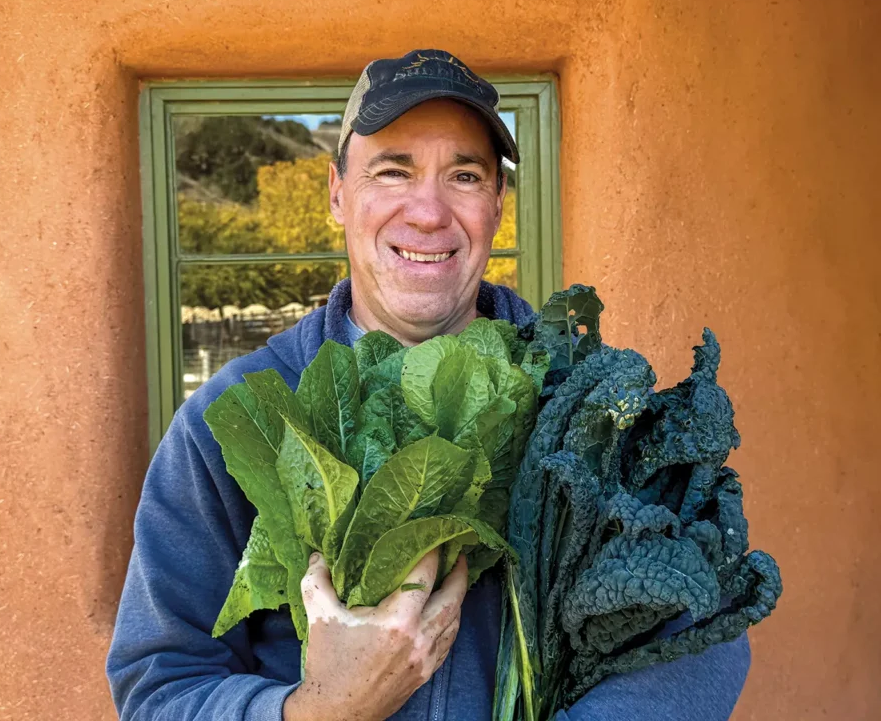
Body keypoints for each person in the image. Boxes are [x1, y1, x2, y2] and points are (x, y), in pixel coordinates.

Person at [106, 49, 751, 721]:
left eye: (465, 176)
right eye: (393, 171)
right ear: (336, 195)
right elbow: (160, 686)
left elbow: (703, 633)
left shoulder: (587, 406)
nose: (428, 212)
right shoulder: (236, 417)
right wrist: (324, 710)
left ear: (498, 204)